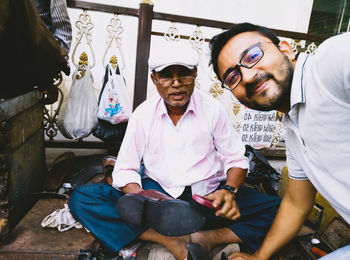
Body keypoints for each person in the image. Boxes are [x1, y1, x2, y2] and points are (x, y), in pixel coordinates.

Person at [68, 43, 281, 260]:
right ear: (154, 79)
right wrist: (142, 197)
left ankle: (207, 238)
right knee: (82, 199)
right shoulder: (143, 115)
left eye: (184, 75)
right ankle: (170, 241)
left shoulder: (212, 109)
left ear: (195, 74)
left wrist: (229, 191)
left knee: (280, 210)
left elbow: (235, 158)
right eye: (167, 76)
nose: (176, 84)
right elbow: (126, 168)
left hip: (207, 198)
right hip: (159, 198)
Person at [209, 22, 350, 259]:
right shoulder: (293, 129)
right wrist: (259, 256)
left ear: (286, 50)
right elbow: (296, 203)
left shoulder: (329, 64)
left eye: (253, 55)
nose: (248, 76)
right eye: (233, 77)